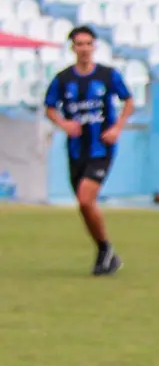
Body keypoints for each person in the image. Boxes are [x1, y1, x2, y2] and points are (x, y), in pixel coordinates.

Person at [43, 25, 134, 276]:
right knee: (84, 206)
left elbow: (129, 100)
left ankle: (105, 251)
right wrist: (63, 123)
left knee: (85, 199)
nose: (84, 48)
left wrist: (117, 127)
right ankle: (106, 251)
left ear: (94, 47)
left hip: (101, 149)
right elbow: (49, 107)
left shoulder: (107, 75)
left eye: (88, 44)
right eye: (79, 44)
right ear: (73, 48)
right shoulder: (63, 79)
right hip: (76, 151)